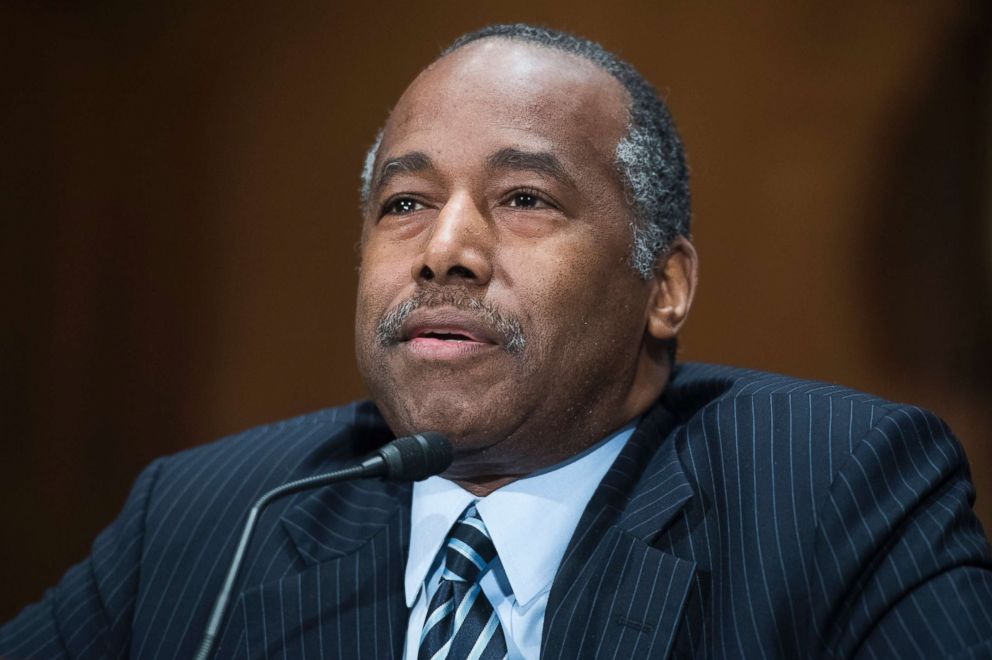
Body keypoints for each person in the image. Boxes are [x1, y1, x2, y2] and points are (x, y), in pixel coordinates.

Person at [2, 23, 991, 660]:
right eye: (404, 203)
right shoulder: (209, 516)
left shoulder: (832, 491)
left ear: (664, 285)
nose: (444, 249)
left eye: (524, 199)